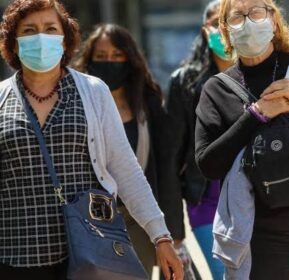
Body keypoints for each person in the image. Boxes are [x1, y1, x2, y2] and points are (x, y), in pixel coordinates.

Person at [0, 1, 183, 280]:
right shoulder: (2, 98)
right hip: (15, 258)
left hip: (89, 256)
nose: (41, 37)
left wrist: (161, 236)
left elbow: (126, 169)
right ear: (13, 44)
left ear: (64, 40)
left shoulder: (93, 91)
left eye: (50, 29)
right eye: (29, 30)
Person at [195, 0, 289, 279]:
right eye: (237, 17)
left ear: (273, 19)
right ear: (225, 31)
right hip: (260, 230)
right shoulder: (217, 89)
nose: (248, 21)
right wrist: (256, 114)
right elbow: (208, 164)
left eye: (257, 12)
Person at [72, 23, 185, 278]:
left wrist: (171, 231)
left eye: (116, 56)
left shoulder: (148, 103)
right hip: (90, 220)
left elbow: (166, 168)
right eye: (100, 57)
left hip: (137, 222)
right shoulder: (76, 103)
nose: (109, 62)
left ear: (130, 59)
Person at [167, 1, 232, 279]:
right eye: (216, 22)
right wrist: (173, 229)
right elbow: (171, 154)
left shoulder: (261, 75)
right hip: (206, 200)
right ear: (205, 31)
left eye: (229, 21)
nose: (223, 29)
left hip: (258, 198)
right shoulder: (184, 82)